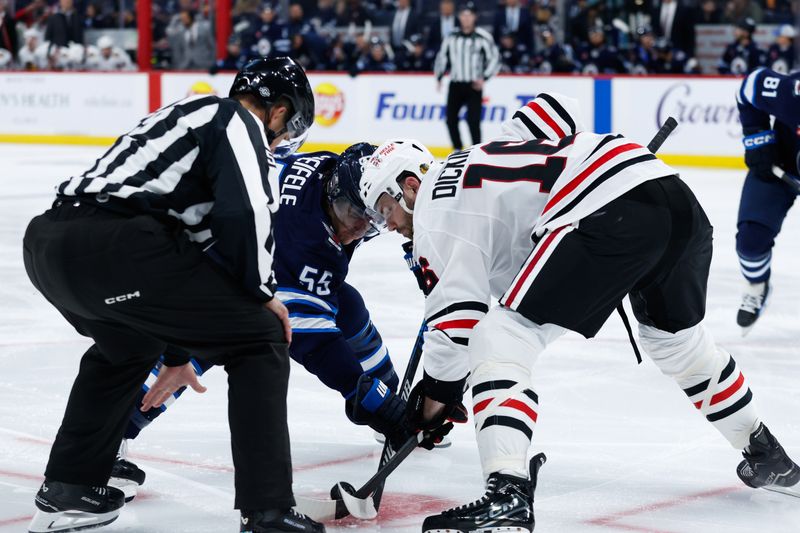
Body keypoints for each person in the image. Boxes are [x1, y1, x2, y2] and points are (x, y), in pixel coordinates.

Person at [358, 93, 800, 532]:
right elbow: (549, 109)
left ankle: (507, 496)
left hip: (608, 213)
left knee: (499, 339)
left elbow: (458, 326)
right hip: (672, 195)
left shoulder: (433, 214)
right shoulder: (477, 154)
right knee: (678, 345)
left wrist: (432, 403)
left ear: (411, 185)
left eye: (386, 209)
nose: (390, 225)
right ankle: (766, 453)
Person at [22, 57, 322, 533]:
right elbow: (244, 214)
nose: (281, 142)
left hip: (49, 246)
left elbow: (190, 265)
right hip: (118, 246)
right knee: (261, 337)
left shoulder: (183, 116)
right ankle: (268, 512)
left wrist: (180, 350)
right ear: (279, 111)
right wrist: (264, 294)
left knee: (127, 345)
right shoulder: (236, 119)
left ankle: (70, 488)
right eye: (286, 131)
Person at [109, 143, 413, 500]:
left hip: (235, 256)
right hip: (192, 265)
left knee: (346, 305)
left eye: (370, 221)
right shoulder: (306, 237)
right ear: (334, 193)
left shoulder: (329, 173)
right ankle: (108, 438)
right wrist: (364, 395)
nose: (354, 231)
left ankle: (393, 392)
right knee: (204, 344)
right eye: (351, 215)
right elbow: (308, 336)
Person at [734, 67, 800, 335]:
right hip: (781, 166)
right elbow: (749, 87)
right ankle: (756, 285)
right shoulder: (792, 92)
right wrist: (757, 139)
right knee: (750, 241)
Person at [434, 1, 500, 151]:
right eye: (463, 15)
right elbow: (442, 57)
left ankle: (476, 150)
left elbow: (495, 58)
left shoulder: (483, 37)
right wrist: (439, 77)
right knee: (450, 119)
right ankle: (457, 149)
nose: (466, 18)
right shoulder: (451, 37)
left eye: (469, 15)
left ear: (475, 17)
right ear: (459, 17)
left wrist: (484, 77)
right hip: (456, 83)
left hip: (473, 85)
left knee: (473, 120)